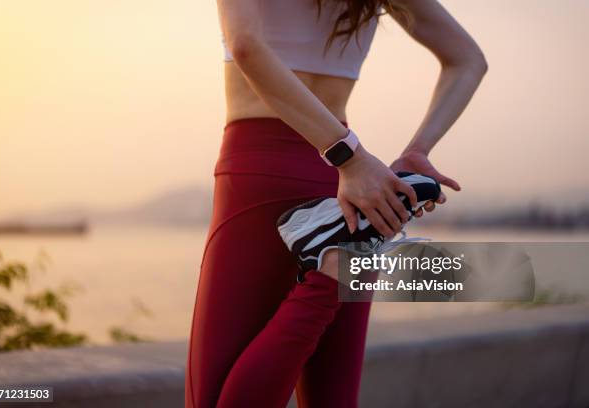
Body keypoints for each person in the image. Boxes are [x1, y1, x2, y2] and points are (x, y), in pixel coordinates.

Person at [186, 0, 487, 406]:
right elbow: (468, 60)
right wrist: (416, 149)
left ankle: (329, 275)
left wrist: (352, 158)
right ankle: (335, 268)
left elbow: (245, 45)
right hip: (347, 186)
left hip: (273, 170)